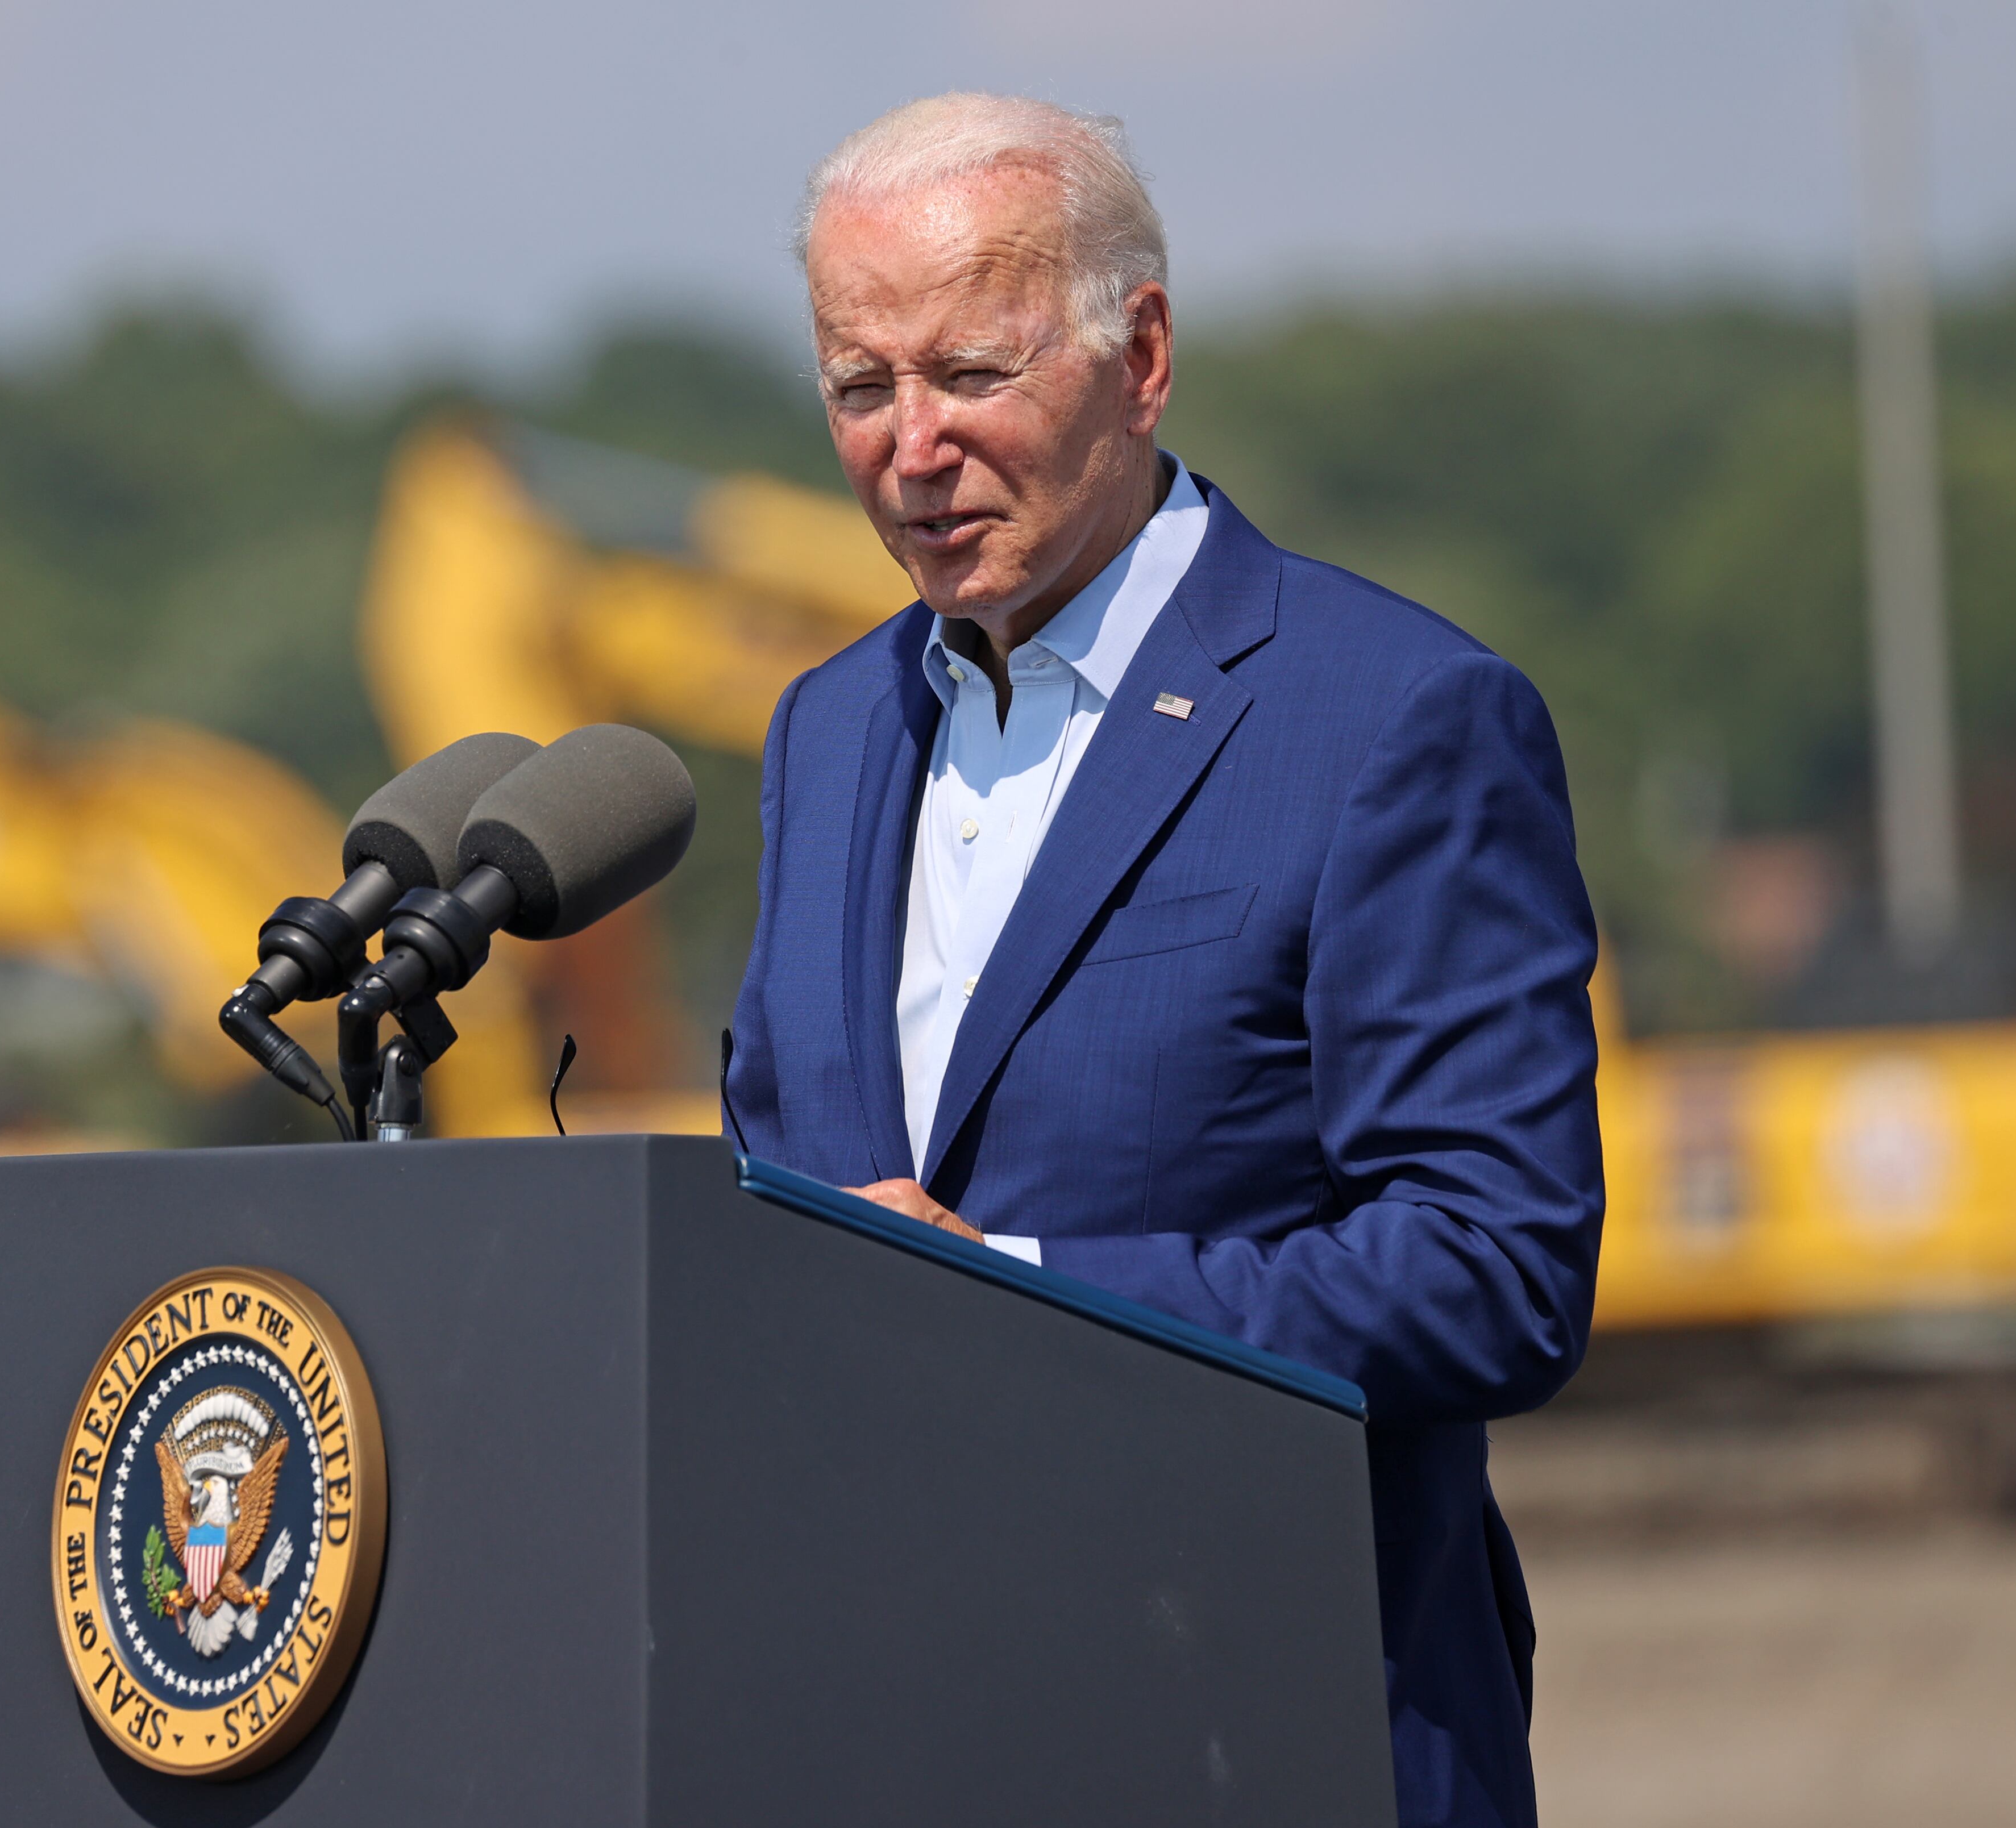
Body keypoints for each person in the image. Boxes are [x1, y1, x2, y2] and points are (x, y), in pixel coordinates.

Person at [722, 93, 1601, 1828]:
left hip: (1269, 1740)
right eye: (857, 385)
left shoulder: (1396, 719)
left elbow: (1496, 1267)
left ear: (1144, 355)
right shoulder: (823, 734)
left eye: (970, 371)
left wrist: (1017, 1289)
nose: (911, 443)